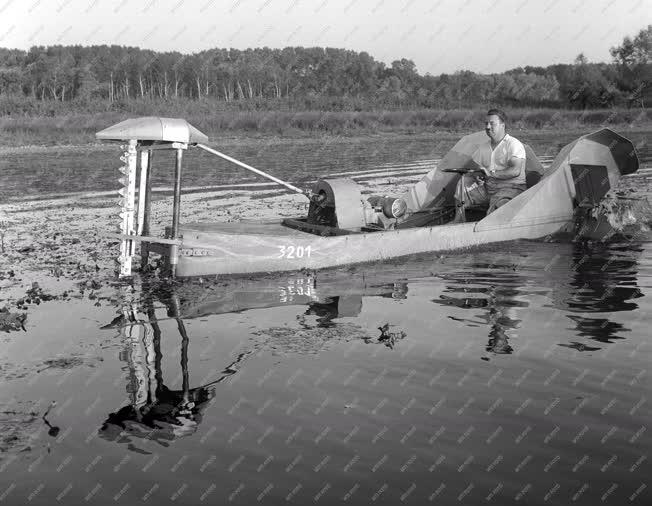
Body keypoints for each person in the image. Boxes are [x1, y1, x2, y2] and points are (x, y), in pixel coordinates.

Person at [454, 109, 527, 220]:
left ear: (502, 125)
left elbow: (515, 171)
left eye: (492, 123)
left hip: (512, 188)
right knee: (463, 183)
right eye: (486, 124)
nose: (488, 127)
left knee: (499, 203)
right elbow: (478, 171)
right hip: (488, 189)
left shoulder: (513, 144)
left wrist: (490, 174)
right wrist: (479, 177)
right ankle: (457, 220)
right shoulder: (483, 147)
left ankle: (489, 226)